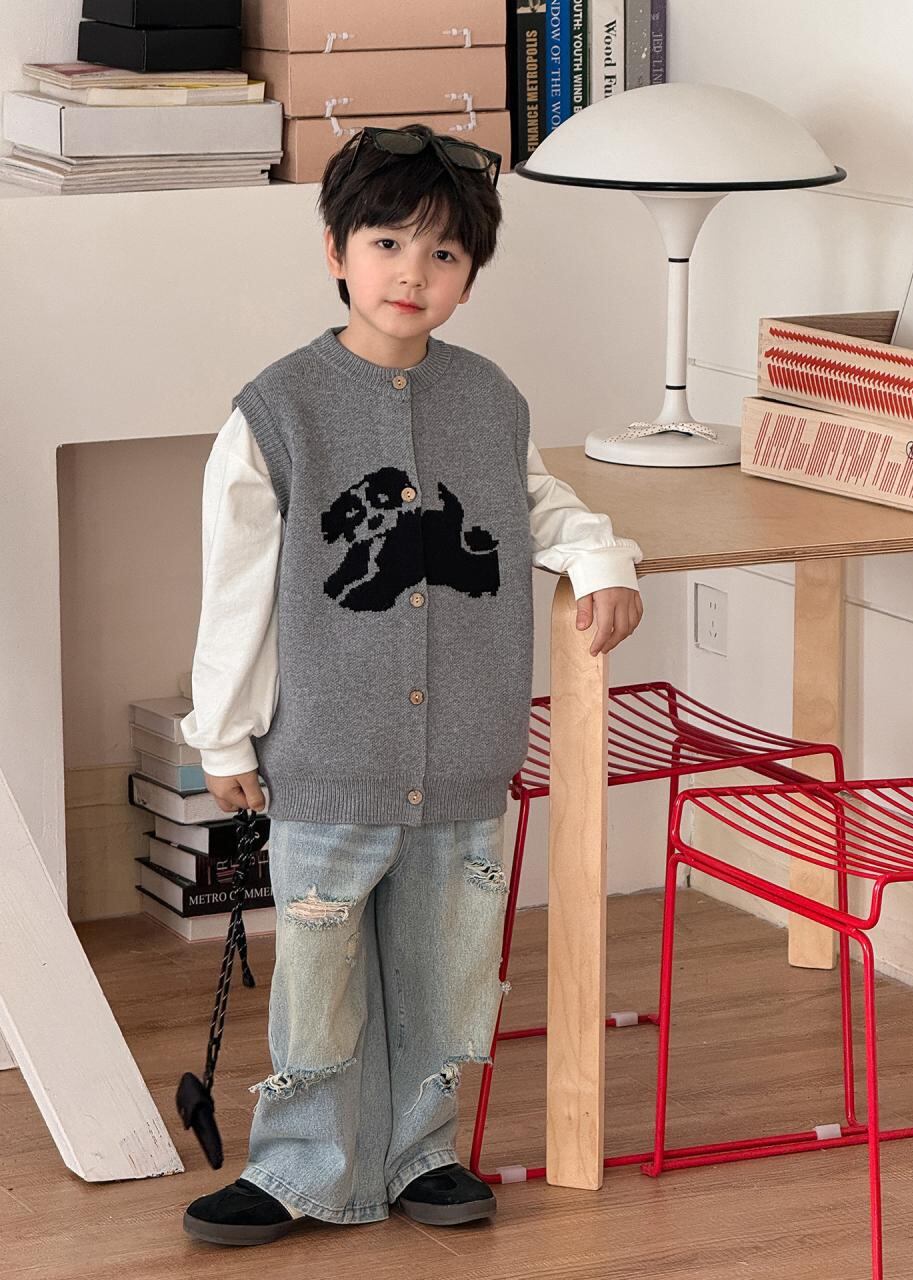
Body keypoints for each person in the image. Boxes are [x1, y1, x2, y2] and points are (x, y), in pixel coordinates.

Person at [179, 123, 644, 1246]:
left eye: (443, 254)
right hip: (327, 759)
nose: (412, 273)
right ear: (336, 249)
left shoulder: (490, 399)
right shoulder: (278, 410)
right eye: (387, 242)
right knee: (320, 977)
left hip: (466, 757)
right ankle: (301, 1169)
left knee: (446, 972)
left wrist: (601, 558)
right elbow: (235, 591)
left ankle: (423, 1153)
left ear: (470, 275)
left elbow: (535, 504)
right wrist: (225, 737)